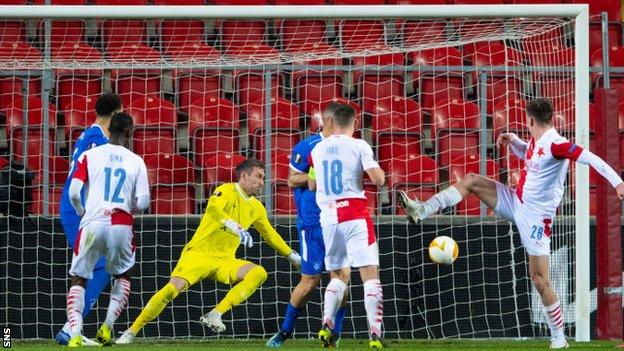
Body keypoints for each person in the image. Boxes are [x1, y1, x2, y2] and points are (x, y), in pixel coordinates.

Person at [399, 98, 624, 349]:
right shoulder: (536, 140)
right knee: (472, 180)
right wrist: (515, 141)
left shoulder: (557, 144)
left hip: (536, 219)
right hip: (516, 201)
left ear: (530, 120)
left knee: (539, 279)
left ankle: (559, 336)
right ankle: (422, 210)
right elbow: (529, 159)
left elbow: (591, 158)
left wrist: (618, 182)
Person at [116, 158, 302, 344]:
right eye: (258, 177)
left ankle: (216, 313)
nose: (262, 182)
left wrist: (292, 256)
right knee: (171, 291)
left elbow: (270, 235)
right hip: (199, 254)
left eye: (263, 178)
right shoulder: (226, 190)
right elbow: (213, 208)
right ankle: (131, 331)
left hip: (225, 261)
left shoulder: (257, 207)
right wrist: (230, 224)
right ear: (244, 176)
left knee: (258, 273)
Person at [266, 102, 348, 348]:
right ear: (329, 122)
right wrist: (317, 174)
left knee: (342, 278)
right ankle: (286, 330)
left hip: (339, 220)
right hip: (312, 223)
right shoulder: (307, 146)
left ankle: (334, 335)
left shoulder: (347, 148)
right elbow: (292, 180)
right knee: (310, 281)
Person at [65, 112, 150, 347]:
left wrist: (82, 209)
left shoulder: (89, 155)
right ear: (130, 133)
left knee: (79, 278)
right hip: (121, 223)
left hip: (92, 222)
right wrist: (126, 208)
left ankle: (75, 335)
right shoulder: (136, 160)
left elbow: (73, 191)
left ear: (109, 130)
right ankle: (107, 326)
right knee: (123, 275)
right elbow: (143, 203)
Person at [308, 104, 386, 349]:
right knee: (369, 275)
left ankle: (326, 324)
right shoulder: (359, 145)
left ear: (331, 122)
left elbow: (311, 185)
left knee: (339, 275)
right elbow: (378, 179)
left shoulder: (317, 149)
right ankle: (375, 333)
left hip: (328, 218)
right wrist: (375, 172)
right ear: (354, 123)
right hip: (354, 213)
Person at [56, 92, 123, 345]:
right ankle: (70, 330)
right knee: (100, 265)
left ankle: (70, 329)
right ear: (115, 114)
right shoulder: (97, 140)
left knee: (97, 266)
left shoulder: (90, 134)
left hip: (80, 210)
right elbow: (87, 180)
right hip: (78, 211)